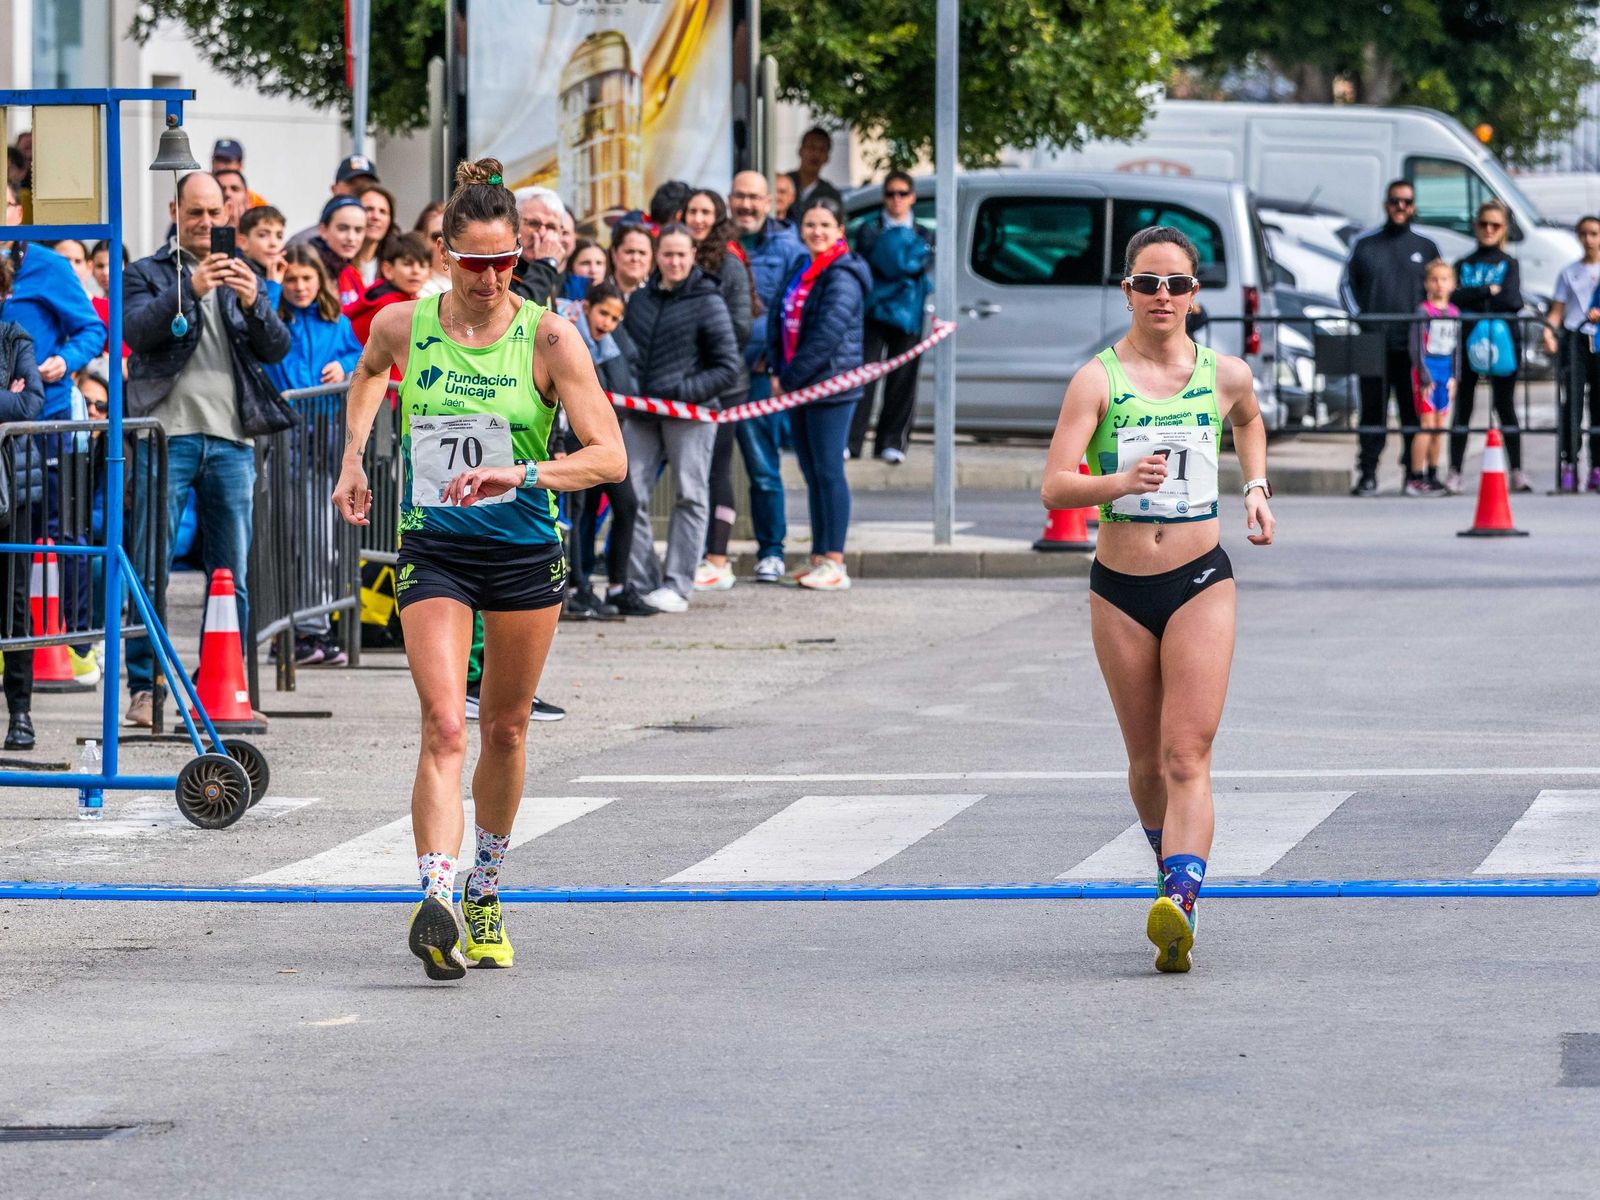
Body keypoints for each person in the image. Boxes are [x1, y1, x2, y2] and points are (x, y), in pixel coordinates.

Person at [331, 157, 626, 980]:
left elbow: (610, 459)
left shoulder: (551, 337)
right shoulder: (403, 324)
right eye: (476, 262)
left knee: (504, 727)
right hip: (436, 546)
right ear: (444, 254)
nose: (493, 277)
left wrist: (522, 472)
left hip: (526, 548)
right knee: (445, 723)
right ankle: (439, 900)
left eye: (508, 263)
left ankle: (486, 885)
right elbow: (366, 375)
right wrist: (354, 459)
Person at [1040, 225, 1275, 974]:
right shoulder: (1098, 380)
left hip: (1200, 578)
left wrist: (1257, 488)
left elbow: (1249, 420)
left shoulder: (1224, 373)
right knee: (1144, 761)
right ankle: (1168, 869)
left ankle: (1180, 899)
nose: (1162, 296)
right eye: (1148, 283)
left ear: (1195, 295)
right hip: (1119, 590)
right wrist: (1118, 482)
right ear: (1128, 291)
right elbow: (1054, 485)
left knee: (1186, 752)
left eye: (1175, 284)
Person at [121, 172, 292, 728]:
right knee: (150, 568)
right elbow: (137, 332)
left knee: (231, 574)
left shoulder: (243, 273)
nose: (208, 223)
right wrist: (189, 291)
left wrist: (255, 301)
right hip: (163, 436)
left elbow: (275, 348)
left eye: (217, 213)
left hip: (231, 440)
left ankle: (222, 684)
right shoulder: (146, 273)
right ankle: (145, 690)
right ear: (175, 211)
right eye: (196, 212)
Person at [621, 223, 741, 613]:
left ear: (693, 257)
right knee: (631, 493)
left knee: (691, 494)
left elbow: (727, 368)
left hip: (691, 414)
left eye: (681, 254)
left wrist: (681, 393)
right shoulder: (640, 300)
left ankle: (677, 584)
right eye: (667, 254)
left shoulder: (709, 300)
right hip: (641, 413)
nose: (674, 261)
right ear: (657, 255)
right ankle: (642, 582)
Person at [765, 196, 872, 591]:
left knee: (829, 472)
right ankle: (817, 556)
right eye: (810, 224)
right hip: (798, 387)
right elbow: (780, 315)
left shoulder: (843, 274)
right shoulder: (801, 265)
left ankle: (835, 561)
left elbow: (827, 335)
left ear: (840, 230)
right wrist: (778, 369)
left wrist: (789, 378)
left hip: (831, 389)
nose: (817, 232)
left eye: (825, 225)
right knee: (811, 473)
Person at [265, 244, 364, 666]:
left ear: (321, 281)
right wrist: (271, 281)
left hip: (322, 439)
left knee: (320, 538)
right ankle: (288, 630)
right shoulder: (275, 316)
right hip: (283, 438)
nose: (299, 287)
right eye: (291, 280)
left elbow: (360, 354)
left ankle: (315, 627)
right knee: (283, 539)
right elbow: (257, 323)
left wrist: (345, 367)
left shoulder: (334, 320)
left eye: (307, 279)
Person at [730, 171, 807, 583]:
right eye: (740, 197)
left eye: (754, 198)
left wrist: (778, 365)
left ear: (769, 203)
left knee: (763, 467)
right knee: (710, 469)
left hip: (760, 376)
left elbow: (793, 310)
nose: (746, 205)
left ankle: (772, 552)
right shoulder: (717, 243)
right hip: (717, 377)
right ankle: (711, 557)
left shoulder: (789, 247)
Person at [1341, 180, 1439, 496]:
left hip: (1412, 347)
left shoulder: (1426, 247)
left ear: (1413, 207)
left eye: (1407, 202)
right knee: (1372, 412)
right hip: (1372, 342)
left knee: (1413, 412)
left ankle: (1413, 473)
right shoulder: (1365, 243)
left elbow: (1439, 292)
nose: (1401, 207)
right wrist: (1361, 319)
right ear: (1386, 204)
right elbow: (1345, 286)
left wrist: (1429, 327)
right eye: (1395, 201)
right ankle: (1367, 474)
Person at [683, 188, 754, 591]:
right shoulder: (677, 254)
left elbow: (741, 326)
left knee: (717, 468)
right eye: (692, 210)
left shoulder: (729, 261)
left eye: (705, 212)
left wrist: (702, 345)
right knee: (693, 474)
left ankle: (718, 558)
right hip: (689, 385)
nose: (697, 218)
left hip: (724, 384)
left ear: (718, 217)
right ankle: (697, 554)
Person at [567, 280, 648, 619]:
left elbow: (625, 391)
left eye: (615, 319)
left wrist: (609, 345)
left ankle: (617, 585)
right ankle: (577, 586)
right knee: (577, 512)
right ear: (586, 307)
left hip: (603, 439)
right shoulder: (568, 335)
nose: (607, 324)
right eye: (603, 314)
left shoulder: (606, 343)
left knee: (626, 504)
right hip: (570, 438)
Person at [848, 170, 933, 463]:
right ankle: (852, 441)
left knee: (903, 381)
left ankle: (892, 442)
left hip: (908, 316)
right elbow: (889, 264)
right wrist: (902, 265)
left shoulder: (924, 232)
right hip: (874, 313)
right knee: (862, 378)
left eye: (902, 193)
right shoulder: (869, 229)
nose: (896, 200)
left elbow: (910, 264)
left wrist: (896, 264)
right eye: (890, 193)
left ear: (912, 197)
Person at [1447, 199, 1528, 494]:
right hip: (1468, 342)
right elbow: (1452, 297)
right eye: (1484, 224)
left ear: (1504, 228)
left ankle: (1517, 470)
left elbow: (1512, 300)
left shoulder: (1510, 263)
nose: (1489, 230)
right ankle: (1454, 471)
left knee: (1505, 406)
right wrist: (1485, 291)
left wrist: (1473, 297)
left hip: (1503, 343)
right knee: (1463, 408)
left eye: (1495, 225)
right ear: (1475, 226)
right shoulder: (1463, 264)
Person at [0, 269, 44, 750]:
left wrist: (14, 401)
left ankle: (20, 711)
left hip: (11, 490)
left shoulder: (14, 336)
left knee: (14, 605)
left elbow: (31, 402)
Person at [1545, 216, 1600, 492]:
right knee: (1573, 403)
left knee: (1599, 406)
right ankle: (1570, 462)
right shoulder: (1569, 272)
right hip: (1576, 339)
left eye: (1594, 233)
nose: (1588, 239)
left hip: (1599, 340)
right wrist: (1548, 332)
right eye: (1584, 233)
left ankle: (1597, 466)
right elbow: (1557, 310)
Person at [1406, 260, 1458, 497]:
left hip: (1445, 372)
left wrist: (1455, 376)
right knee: (1426, 425)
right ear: (1427, 283)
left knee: (1439, 427)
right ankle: (1415, 476)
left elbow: (1456, 349)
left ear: (1452, 283)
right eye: (1435, 280)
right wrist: (1424, 375)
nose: (1439, 284)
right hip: (1426, 371)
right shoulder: (1423, 312)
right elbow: (1416, 346)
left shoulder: (1454, 313)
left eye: (1444, 279)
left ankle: (1433, 473)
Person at [344, 232, 433, 345]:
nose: (415, 271)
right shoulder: (391, 306)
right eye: (407, 264)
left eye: (422, 266)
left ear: (429, 273)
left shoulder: (404, 299)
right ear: (388, 270)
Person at [288, 154, 380, 246]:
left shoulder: (386, 244)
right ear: (334, 189)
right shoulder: (305, 242)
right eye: (352, 183)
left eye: (367, 185)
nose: (360, 189)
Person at [511, 187, 567, 306]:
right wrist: (546, 264)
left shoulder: (554, 271)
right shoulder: (500, 267)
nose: (542, 234)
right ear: (513, 224)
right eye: (533, 223)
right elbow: (521, 316)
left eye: (551, 227)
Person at [308, 196, 368, 307]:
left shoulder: (352, 270)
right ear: (323, 230)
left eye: (358, 230)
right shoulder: (308, 269)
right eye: (343, 228)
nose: (351, 237)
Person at [87, 240, 132, 362]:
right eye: (100, 266)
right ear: (90, 267)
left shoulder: (137, 304)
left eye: (113, 264)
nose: (106, 272)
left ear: (126, 266)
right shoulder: (89, 305)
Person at [787, 128, 844, 213]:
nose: (816, 154)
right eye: (811, 147)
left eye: (821, 150)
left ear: (827, 157)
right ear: (800, 151)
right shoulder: (784, 184)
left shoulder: (831, 195)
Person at [352, 184, 398, 287]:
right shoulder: (338, 264)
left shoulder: (395, 264)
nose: (376, 217)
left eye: (383, 212)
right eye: (368, 209)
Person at [556, 238, 608, 318]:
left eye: (599, 263)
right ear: (571, 266)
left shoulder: (614, 298)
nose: (593, 270)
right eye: (585, 263)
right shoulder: (557, 297)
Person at [238, 205, 287, 288]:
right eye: (263, 235)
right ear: (243, 242)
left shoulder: (286, 272)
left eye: (279, 236)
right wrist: (273, 285)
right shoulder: (238, 277)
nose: (273, 243)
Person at [211, 139, 268, 208]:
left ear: (240, 164)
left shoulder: (256, 202)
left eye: (228, 160)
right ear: (212, 162)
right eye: (219, 159)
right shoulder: (199, 192)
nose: (223, 165)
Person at [413, 201, 451, 297]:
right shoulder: (417, 290)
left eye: (452, 234)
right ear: (421, 242)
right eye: (437, 236)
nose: (445, 242)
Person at [609, 224, 654, 301]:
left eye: (642, 253)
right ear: (614, 254)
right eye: (629, 252)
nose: (635, 258)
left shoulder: (661, 297)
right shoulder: (597, 292)